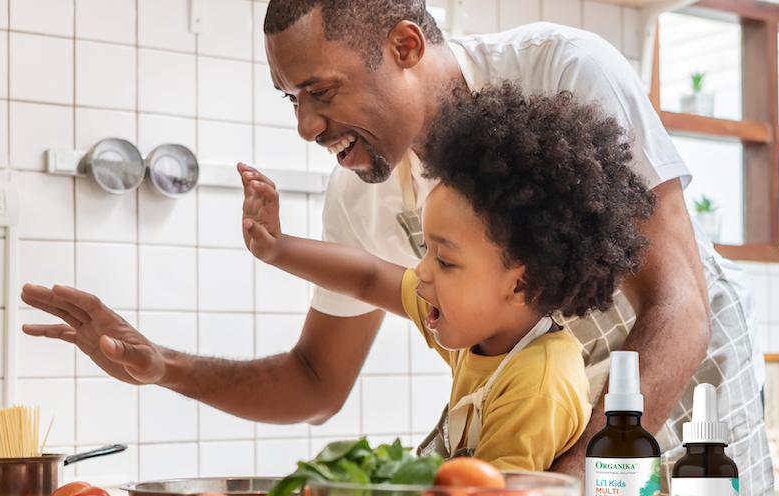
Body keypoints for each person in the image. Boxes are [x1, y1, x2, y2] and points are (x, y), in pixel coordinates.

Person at [21, 0, 779, 496]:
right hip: (538, 445)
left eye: (321, 91)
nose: (306, 127)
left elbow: (678, 303)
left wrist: (573, 488)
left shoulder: (562, 71)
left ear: (406, 44)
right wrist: (161, 366)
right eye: (292, 100)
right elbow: (317, 377)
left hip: (679, 381)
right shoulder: (360, 189)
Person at [243, 82, 656, 471]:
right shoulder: (484, 332)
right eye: (426, 250)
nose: (421, 269)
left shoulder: (537, 385)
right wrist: (279, 248)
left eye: (445, 260)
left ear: (521, 285)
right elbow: (368, 278)